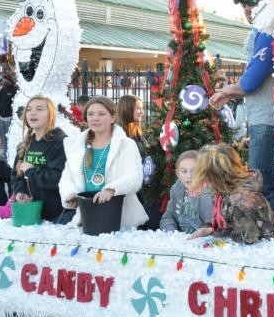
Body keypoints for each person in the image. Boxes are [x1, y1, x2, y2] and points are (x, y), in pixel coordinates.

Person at [208, 0, 274, 219]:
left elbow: (251, 82)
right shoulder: (263, 30)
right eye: (244, 5)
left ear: (267, 1)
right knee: (270, 182)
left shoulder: (268, 30)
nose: (247, 9)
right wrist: (228, 92)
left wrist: (225, 90)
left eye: (252, 2)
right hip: (265, 117)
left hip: (267, 119)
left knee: (266, 184)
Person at [59, 97, 147, 230]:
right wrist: (70, 195)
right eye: (90, 114)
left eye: (101, 114)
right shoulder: (76, 145)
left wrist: (112, 189)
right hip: (87, 217)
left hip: (120, 220)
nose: (95, 118)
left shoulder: (126, 145)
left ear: (112, 118)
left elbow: (134, 177)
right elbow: (67, 177)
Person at [191, 144, 274, 244]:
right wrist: (210, 227)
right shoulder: (224, 191)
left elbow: (247, 241)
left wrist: (218, 236)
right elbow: (225, 214)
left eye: (206, 178)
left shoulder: (244, 201)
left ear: (215, 178)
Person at [11, 96, 68, 223]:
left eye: (39, 109)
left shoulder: (60, 142)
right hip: (31, 213)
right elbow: (16, 175)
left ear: (50, 115)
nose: (32, 113)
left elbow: (57, 178)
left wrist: (31, 172)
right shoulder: (24, 145)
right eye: (29, 109)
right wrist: (21, 191)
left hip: (57, 216)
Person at [160, 150, 213, 238]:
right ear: (177, 173)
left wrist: (204, 233)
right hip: (181, 240)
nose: (189, 176)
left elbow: (213, 224)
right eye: (184, 171)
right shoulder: (176, 189)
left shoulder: (206, 192)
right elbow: (169, 215)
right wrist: (171, 233)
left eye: (194, 171)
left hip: (202, 242)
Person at [0, 72, 18, 157]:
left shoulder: (15, 90)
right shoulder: (3, 89)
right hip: (2, 117)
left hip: (10, 118)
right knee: (2, 136)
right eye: (3, 79)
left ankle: (10, 154)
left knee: (9, 137)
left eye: (5, 79)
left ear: (9, 80)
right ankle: (5, 152)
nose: (3, 80)